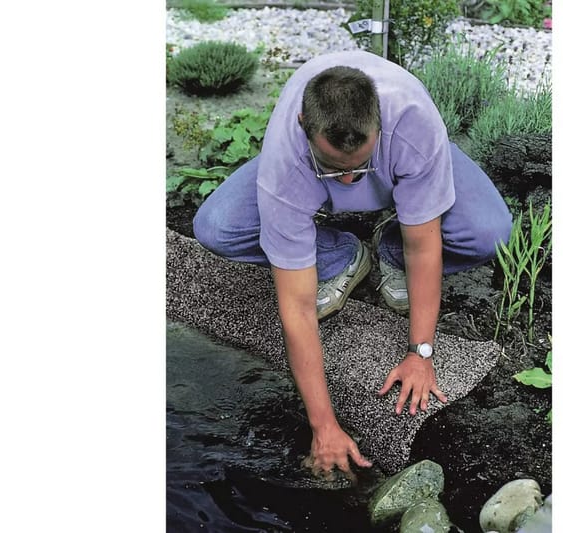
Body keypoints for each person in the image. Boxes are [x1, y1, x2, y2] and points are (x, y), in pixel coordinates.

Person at [193, 50, 512, 480]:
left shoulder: (413, 124)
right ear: (305, 126)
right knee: (216, 228)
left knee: (489, 232)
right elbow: (298, 308)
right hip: (303, 171)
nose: (347, 180)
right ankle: (340, 256)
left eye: (358, 166)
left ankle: (388, 251)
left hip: (403, 158)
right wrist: (323, 425)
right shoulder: (287, 159)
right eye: (333, 168)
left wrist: (421, 352)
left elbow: (426, 247)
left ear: (379, 124)